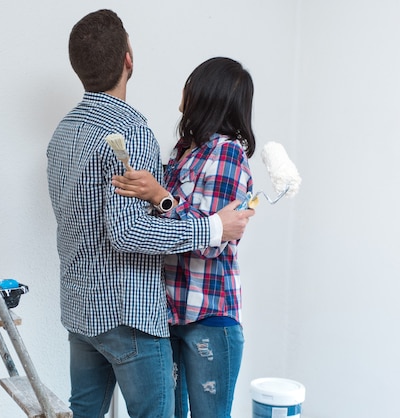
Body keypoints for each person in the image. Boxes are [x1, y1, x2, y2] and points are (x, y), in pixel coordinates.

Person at [46, 10, 255, 418]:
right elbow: (128, 232)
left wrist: (172, 203)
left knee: (84, 411)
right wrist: (213, 227)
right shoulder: (131, 133)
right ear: (129, 58)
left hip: (80, 310)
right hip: (130, 314)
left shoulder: (63, 131)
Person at [111, 57, 256, 418]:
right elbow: (163, 224)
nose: (184, 89)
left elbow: (212, 240)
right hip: (168, 314)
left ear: (209, 93)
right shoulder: (181, 151)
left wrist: (160, 196)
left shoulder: (227, 153)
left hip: (209, 317)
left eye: (192, 82)